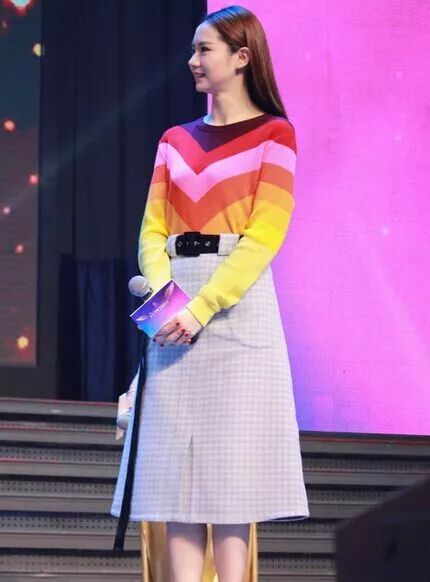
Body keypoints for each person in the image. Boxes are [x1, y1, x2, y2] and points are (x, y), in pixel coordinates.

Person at [111, 5, 309, 581]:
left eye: (204, 50)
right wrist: (167, 300)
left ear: (241, 57)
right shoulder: (174, 140)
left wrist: (201, 307)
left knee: (230, 477)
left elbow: (264, 235)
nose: (192, 61)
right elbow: (152, 230)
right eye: (194, 50)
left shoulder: (276, 134)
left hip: (235, 309)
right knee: (174, 478)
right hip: (174, 302)